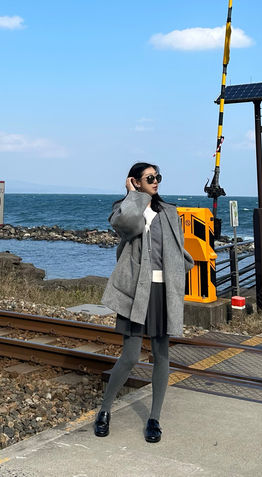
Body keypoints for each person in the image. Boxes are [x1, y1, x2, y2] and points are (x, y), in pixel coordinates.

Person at [94, 162, 194, 443]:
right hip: (137, 291)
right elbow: (128, 226)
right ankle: (104, 410)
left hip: (165, 290)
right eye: (150, 178)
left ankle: (154, 418)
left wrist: (184, 265)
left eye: (158, 177)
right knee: (129, 356)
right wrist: (133, 196)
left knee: (162, 355)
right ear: (136, 182)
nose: (156, 181)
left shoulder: (169, 212)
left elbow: (177, 247)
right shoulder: (126, 208)